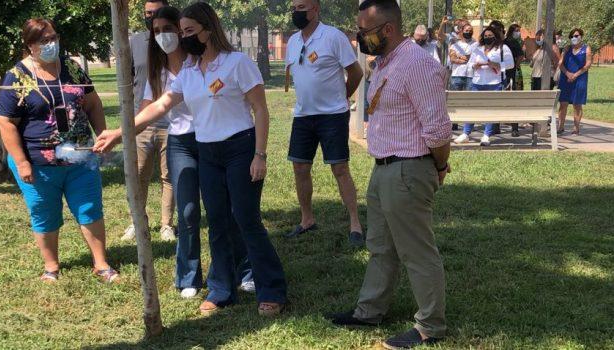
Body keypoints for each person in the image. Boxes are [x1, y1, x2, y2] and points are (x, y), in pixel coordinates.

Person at [97, 2, 287, 317]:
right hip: (208, 152)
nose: (183, 38)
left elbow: (261, 110)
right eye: (181, 31)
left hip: (241, 148)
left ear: (208, 30)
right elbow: (160, 106)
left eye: (189, 31)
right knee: (216, 223)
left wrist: (260, 155)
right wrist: (121, 132)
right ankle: (222, 290)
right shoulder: (188, 71)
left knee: (246, 219)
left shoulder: (236, 63)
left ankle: (272, 291)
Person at [327, 2, 452, 349]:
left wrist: (439, 167)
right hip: (384, 168)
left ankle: (430, 325)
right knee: (380, 247)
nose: (359, 38)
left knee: (417, 251)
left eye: (364, 32)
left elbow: (439, 131)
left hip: (408, 168)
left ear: (388, 30)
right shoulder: (385, 62)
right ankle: (370, 311)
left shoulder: (417, 65)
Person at [0, 19, 119, 283]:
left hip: (81, 159)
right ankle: (51, 267)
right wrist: (22, 162)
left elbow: (93, 104)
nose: (52, 44)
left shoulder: (72, 68)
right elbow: (4, 122)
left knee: (90, 208)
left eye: (54, 38)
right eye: (44, 40)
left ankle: (101, 264)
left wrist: (102, 137)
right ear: (30, 45)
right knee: (45, 212)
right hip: (38, 163)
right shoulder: (17, 76)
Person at [284, 0, 366, 246]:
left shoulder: (333, 36)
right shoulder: (293, 41)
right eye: (294, 8)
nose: (296, 12)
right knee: (300, 168)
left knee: (340, 169)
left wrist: (342, 98)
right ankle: (306, 219)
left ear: (315, 9)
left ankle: (355, 224)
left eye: (302, 7)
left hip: (332, 116)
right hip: (303, 116)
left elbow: (356, 73)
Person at [122, 0, 176, 242]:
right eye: (147, 14)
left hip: (173, 123)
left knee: (169, 176)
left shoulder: (178, 42)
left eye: (155, 13)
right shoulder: (134, 42)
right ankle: (137, 221)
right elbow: (128, 79)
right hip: (142, 119)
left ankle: (167, 224)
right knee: (138, 173)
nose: (151, 17)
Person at [453, 26, 514, 147]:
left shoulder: (503, 48)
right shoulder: (477, 48)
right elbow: (470, 64)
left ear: (495, 36)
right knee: (472, 108)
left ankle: (486, 135)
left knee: (491, 109)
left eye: (490, 36)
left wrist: (496, 65)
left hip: (494, 83)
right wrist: (475, 65)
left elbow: (510, 64)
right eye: (485, 36)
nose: (487, 38)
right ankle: (466, 133)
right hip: (477, 82)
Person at [557, 28, 592, 135]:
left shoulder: (586, 49)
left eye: (576, 36)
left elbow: (588, 65)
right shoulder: (566, 49)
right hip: (565, 78)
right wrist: (568, 73)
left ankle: (576, 128)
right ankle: (560, 127)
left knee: (577, 104)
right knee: (563, 104)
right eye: (572, 36)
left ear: (581, 36)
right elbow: (560, 63)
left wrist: (575, 75)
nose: (574, 38)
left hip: (580, 79)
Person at [505, 24, 526, 137]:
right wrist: (516, 65)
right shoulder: (513, 42)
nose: (518, 32)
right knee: (514, 100)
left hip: (505, 74)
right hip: (513, 74)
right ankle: (514, 128)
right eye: (516, 30)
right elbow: (521, 56)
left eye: (519, 30)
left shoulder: (504, 42)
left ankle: (496, 126)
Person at [448, 23, 476, 92]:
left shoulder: (476, 45)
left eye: (470, 31)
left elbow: (469, 58)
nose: (469, 32)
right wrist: (465, 59)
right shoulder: (455, 45)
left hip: (470, 76)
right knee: (455, 99)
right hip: (457, 75)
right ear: (462, 31)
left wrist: (458, 56)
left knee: (469, 99)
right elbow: (453, 59)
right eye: (466, 30)